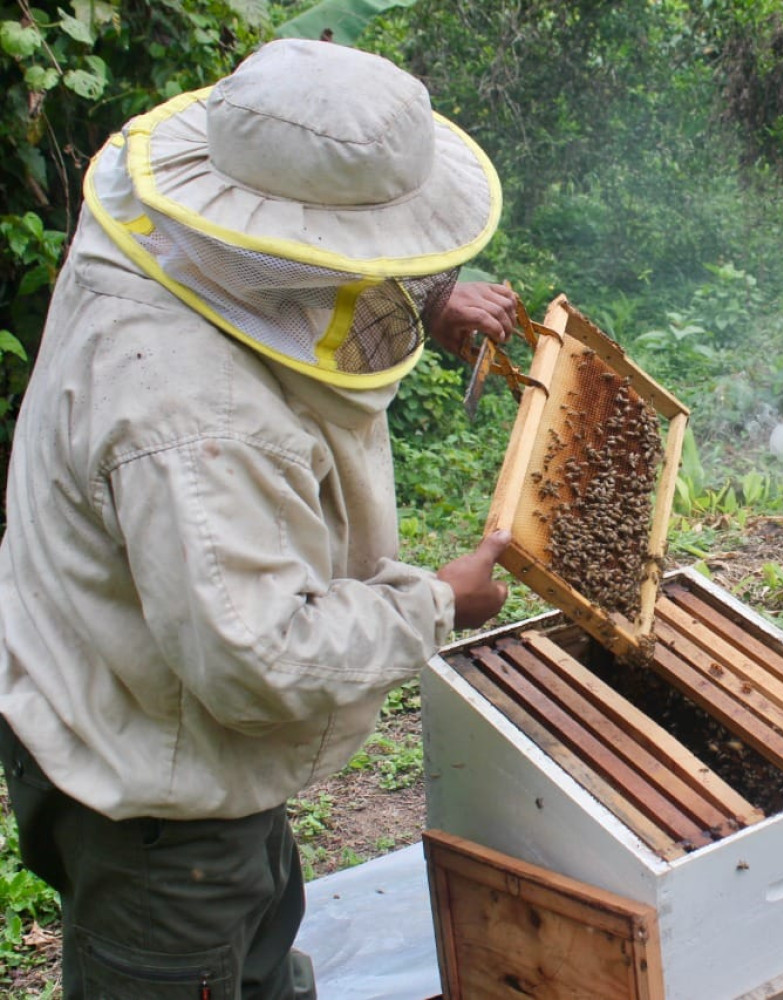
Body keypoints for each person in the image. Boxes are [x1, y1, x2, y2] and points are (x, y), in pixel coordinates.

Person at [0, 38, 521, 999]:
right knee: (198, 942)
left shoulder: (170, 216)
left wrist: (430, 293)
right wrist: (437, 604)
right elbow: (258, 660)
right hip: (154, 806)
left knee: (261, 938)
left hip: (147, 701)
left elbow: (278, 262)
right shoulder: (192, 420)